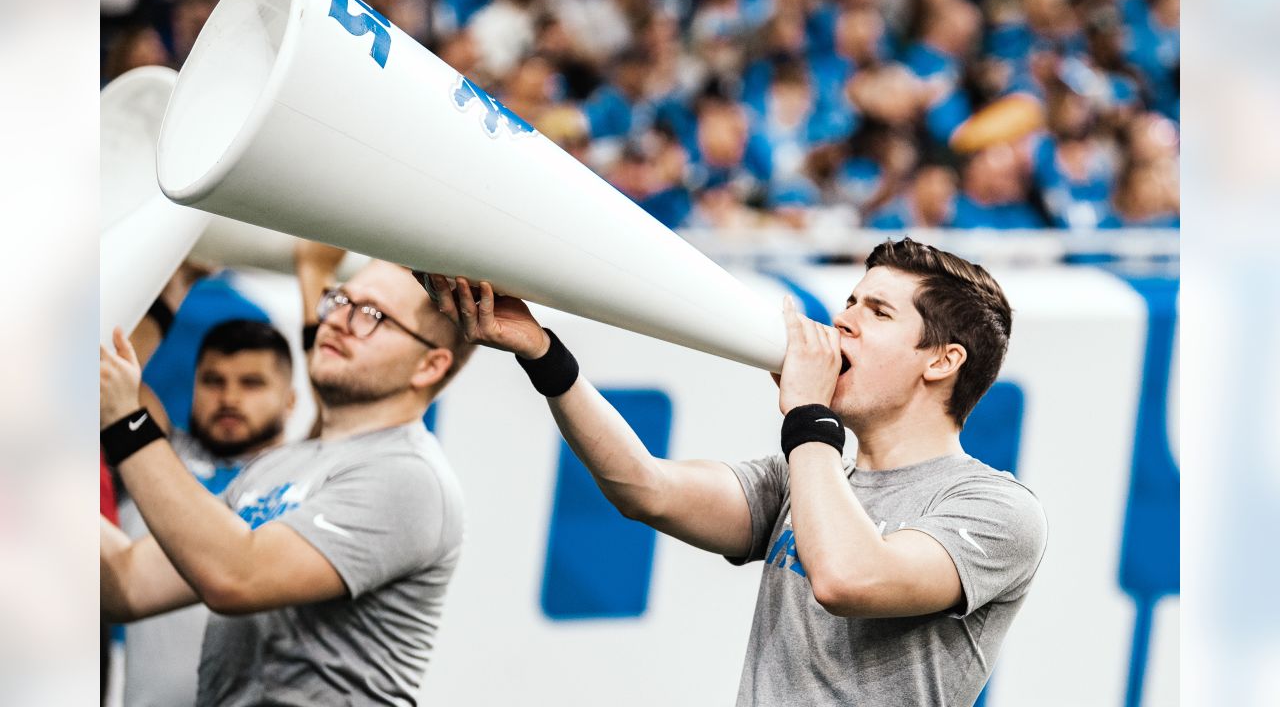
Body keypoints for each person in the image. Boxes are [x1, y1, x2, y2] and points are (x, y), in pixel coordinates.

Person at [427, 237, 1046, 706]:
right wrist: (545, 354)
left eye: (878, 312)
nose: (844, 319)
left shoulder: (995, 509)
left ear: (942, 361)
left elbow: (849, 578)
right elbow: (645, 489)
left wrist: (809, 414)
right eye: (850, 300)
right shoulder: (809, 474)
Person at [100, 260, 475, 705]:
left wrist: (127, 423)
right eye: (340, 299)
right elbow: (128, 582)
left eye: (372, 314)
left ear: (429, 366)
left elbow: (235, 577)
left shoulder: (410, 475)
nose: (337, 320)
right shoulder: (279, 468)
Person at [119, 319, 297, 707]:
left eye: (252, 383)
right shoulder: (153, 457)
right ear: (194, 387)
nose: (229, 397)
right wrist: (176, 285)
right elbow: (106, 367)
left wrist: (313, 274)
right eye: (214, 381)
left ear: (290, 400)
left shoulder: (304, 479)